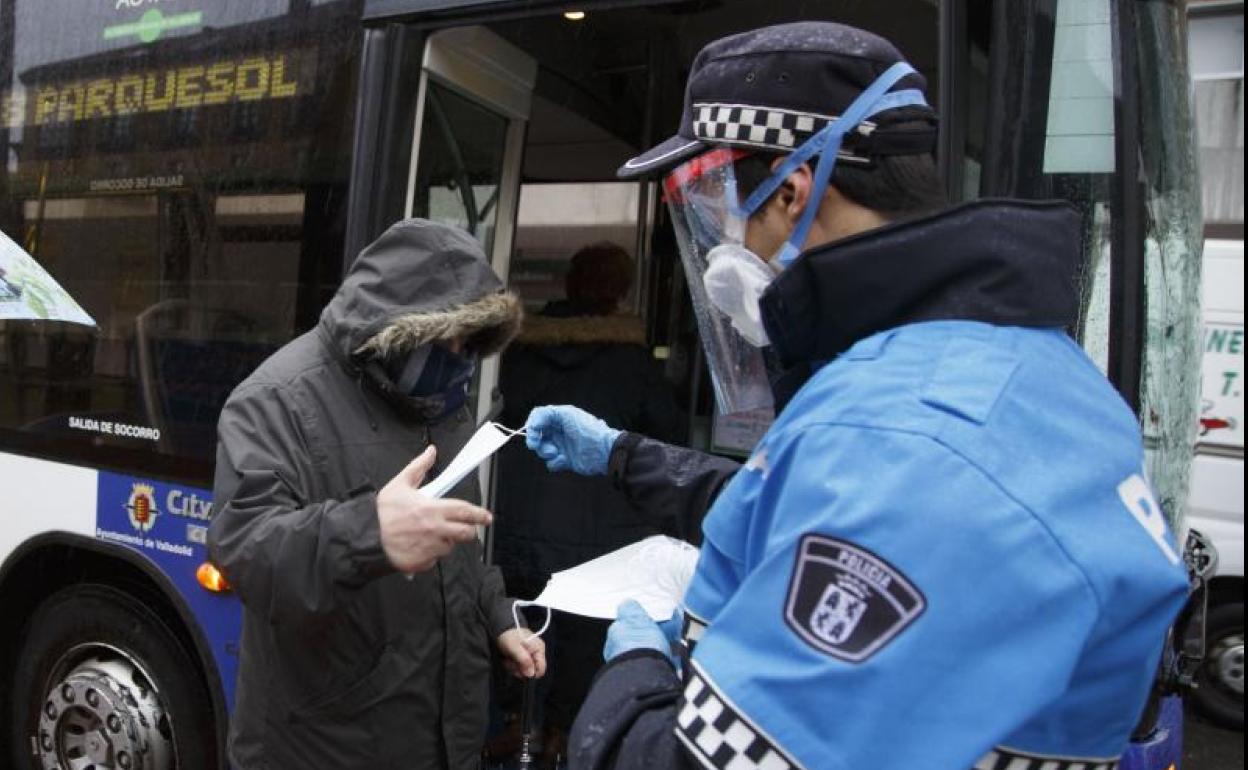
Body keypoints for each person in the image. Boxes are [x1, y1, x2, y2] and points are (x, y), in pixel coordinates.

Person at [523, 22, 1191, 770]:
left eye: (718, 208)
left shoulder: (898, 429)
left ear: (796, 188)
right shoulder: (1041, 377)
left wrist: (635, 677)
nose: (717, 244)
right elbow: (825, 500)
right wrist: (623, 456)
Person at [208, 219, 546, 769]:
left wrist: (498, 617)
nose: (460, 357)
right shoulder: (275, 399)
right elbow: (243, 548)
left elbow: (457, 552)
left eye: (471, 343)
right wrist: (372, 533)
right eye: (449, 338)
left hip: (440, 744)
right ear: (400, 328)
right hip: (322, 749)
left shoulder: (443, 401)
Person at [490, 242, 686, 764]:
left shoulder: (520, 349)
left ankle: (517, 726)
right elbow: (669, 437)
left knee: (520, 628)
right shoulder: (633, 361)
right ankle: (561, 735)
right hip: (599, 533)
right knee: (578, 640)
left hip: (516, 524)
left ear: (569, 283)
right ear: (620, 292)